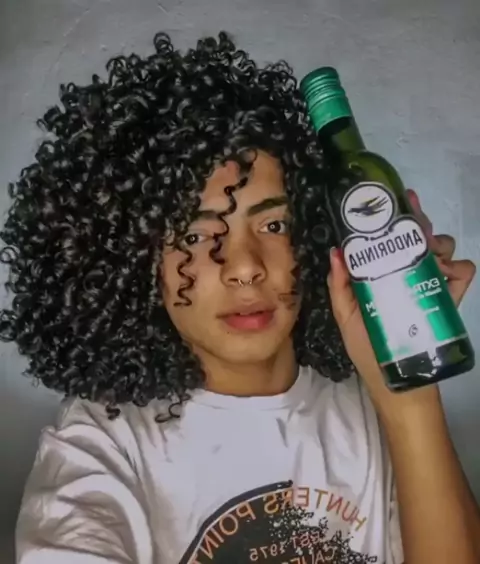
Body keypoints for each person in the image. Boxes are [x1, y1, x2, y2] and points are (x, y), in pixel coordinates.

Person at [1, 31, 479, 564]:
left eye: (273, 224)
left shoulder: (368, 406)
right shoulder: (101, 444)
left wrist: (407, 384)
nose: (247, 266)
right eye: (195, 236)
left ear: (314, 235)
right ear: (136, 263)